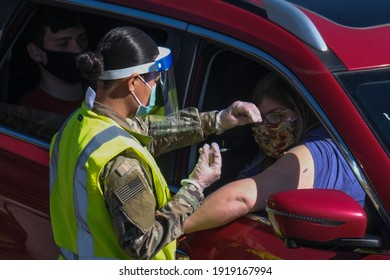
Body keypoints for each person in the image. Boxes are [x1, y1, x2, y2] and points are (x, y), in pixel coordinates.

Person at [49, 26, 261, 260]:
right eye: (154, 81)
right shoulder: (122, 164)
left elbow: (146, 130)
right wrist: (195, 187)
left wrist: (219, 120)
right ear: (132, 83)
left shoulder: (79, 123)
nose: (155, 90)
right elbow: (143, 244)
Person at [184, 72, 366, 234]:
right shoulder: (272, 153)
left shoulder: (321, 148)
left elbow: (241, 198)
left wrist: (171, 227)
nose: (268, 126)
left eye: (278, 115)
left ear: (303, 110)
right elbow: (246, 179)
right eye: (261, 119)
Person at [20, 7, 88, 115]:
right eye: (63, 44)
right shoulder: (29, 111)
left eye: (82, 39)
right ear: (35, 52)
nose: (78, 49)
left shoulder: (104, 96)